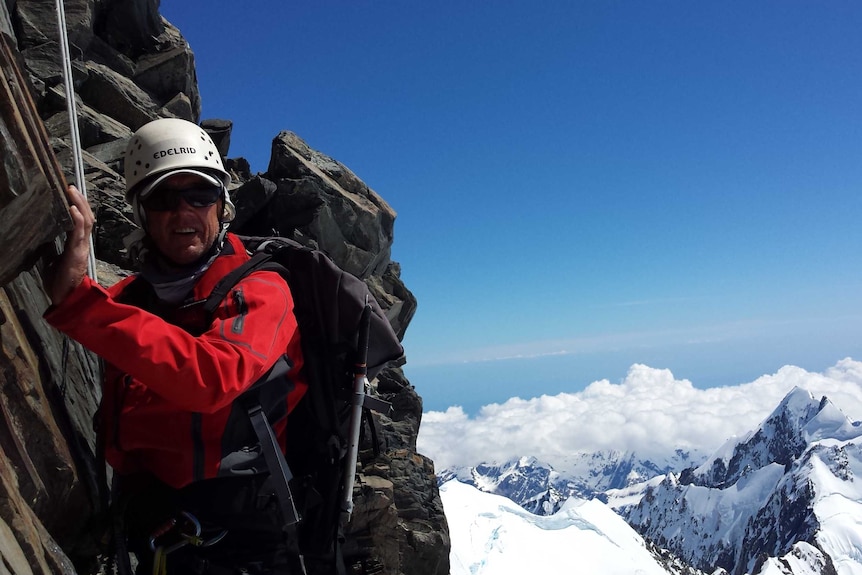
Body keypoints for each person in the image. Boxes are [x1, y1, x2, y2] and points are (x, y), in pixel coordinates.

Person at [44, 118, 309, 574]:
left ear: (222, 205)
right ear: (141, 212)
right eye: (164, 198)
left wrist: (80, 302)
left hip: (241, 543)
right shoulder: (130, 299)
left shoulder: (261, 290)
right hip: (150, 527)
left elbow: (213, 377)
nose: (183, 212)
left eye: (200, 195)